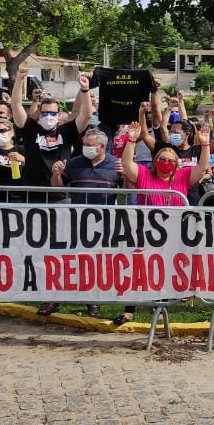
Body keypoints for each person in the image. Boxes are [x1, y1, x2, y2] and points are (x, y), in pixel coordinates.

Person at [115, 121, 209, 326]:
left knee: (166, 268)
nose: (166, 162)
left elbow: (202, 168)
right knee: (139, 268)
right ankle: (129, 309)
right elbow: (128, 164)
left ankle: (161, 305)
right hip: (145, 232)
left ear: (176, 165)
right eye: (162, 158)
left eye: (170, 160)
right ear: (155, 160)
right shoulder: (143, 174)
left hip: (173, 234)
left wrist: (205, 146)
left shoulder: (183, 177)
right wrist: (131, 139)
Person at [42, 128, 120, 318]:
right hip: (75, 219)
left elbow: (127, 189)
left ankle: (92, 302)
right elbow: (58, 188)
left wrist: (125, 175)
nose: (85, 148)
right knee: (67, 261)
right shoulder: (75, 162)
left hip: (102, 222)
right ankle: (53, 298)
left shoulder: (115, 165)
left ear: (101, 147)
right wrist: (56, 174)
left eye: (89, 145)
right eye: (84, 144)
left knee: (93, 263)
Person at [11, 73, 92, 202]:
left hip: (59, 192)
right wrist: (20, 79)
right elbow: (16, 106)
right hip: (31, 192)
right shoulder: (30, 129)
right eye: (45, 113)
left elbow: (86, 115)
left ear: (59, 115)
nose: (48, 116)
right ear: (40, 114)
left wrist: (85, 90)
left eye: (52, 113)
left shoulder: (66, 131)